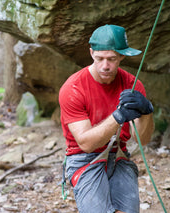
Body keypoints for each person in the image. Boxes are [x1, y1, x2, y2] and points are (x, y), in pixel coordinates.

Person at [59, 24, 155, 213]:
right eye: (100, 58)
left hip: (118, 154)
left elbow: (142, 140)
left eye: (111, 59)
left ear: (122, 56)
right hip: (83, 158)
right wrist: (117, 117)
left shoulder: (132, 84)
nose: (105, 65)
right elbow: (86, 144)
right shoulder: (73, 88)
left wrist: (147, 112)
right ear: (91, 53)